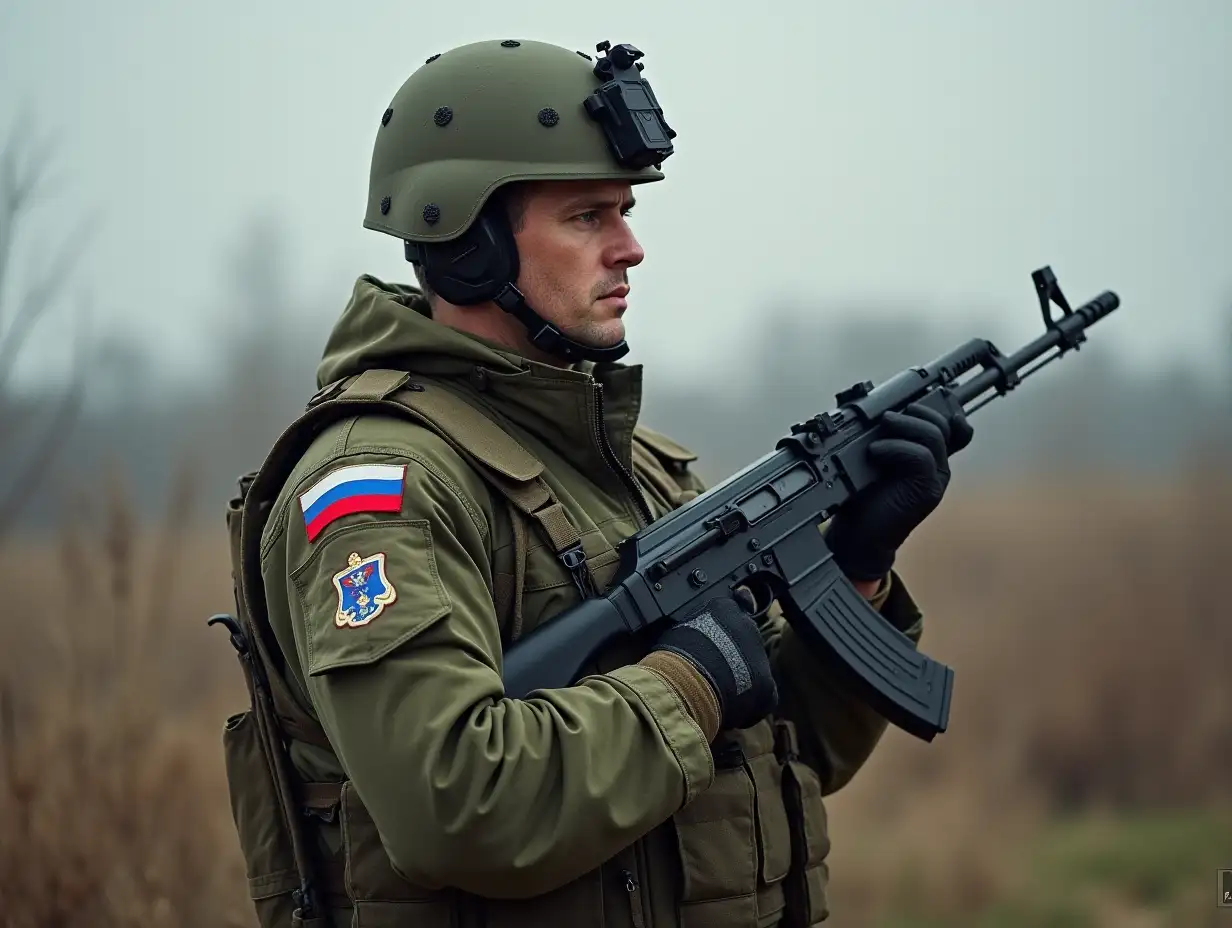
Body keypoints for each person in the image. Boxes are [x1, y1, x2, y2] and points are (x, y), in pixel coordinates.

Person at [219, 37, 972, 928]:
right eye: (587, 216)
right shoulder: (378, 489)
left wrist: (855, 567)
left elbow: (776, 757)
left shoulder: (642, 470)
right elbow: (456, 805)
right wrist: (688, 681)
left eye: (624, 210)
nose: (631, 248)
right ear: (469, 244)